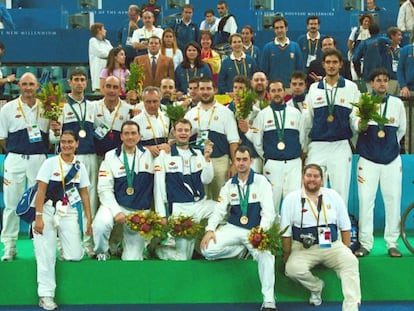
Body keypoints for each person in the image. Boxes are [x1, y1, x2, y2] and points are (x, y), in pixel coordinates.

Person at [200, 146, 277, 311]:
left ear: (251, 161)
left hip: (255, 230)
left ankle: (269, 300)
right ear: (234, 161)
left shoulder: (261, 181)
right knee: (207, 250)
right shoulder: (229, 185)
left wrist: (261, 233)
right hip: (234, 228)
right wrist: (210, 229)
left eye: (244, 160)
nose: (241, 163)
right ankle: (241, 250)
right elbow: (219, 210)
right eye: (238, 160)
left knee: (266, 254)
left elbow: (268, 211)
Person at [280, 163, 361, 311]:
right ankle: (316, 287)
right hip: (303, 248)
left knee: (350, 261)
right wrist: (287, 254)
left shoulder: (333, 196)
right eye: (308, 175)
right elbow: (285, 232)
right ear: (303, 178)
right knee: (291, 269)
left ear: (322, 180)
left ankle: (351, 306)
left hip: (331, 245)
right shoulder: (291, 199)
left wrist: (346, 249)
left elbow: (345, 226)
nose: (312, 179)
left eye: (316, 176)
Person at [0, 72, 58, 261]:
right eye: (24, 84)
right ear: (19, 86)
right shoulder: (7, 109)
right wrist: (16, 151)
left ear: (37, 86)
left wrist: (56, 130)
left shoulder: (47, 108)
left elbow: (52, 138)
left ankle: (38, 244)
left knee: (38, 203)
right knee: (11, 203)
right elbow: (2, 138)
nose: (28, 87)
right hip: (15, 159)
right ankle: (9, 245)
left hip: (39, 160)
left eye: (31, 84)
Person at [33, 130, 92, 310]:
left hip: (68, 211)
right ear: (60, 144)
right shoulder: (49, 163)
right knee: (46, 255)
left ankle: (61, 245)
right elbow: (40, 191)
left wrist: (89, 218)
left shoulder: (80, 166)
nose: (66, 145)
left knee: (74, 255)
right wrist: (39, 217)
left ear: (76, 144)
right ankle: (46, 295)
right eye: (63, 142)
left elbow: (84, 193)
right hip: (48, 210)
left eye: (70, 142)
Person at [352, 68, 406, 258]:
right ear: (371, 83)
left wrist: (389, 148)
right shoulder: (363, 102)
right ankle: (366, 243)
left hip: (391, 160)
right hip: (368, 160)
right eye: (378, 80)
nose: (382, 83)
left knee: (393, 201)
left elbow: (401, 131)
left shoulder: (397, 103)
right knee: (366, 201)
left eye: (385, 80)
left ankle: (392, 243)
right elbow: (354, 125)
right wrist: (361, 125)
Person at [302, 49, 360, 207]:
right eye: (328, 62)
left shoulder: (351, 88)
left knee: (340, 191)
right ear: (323, 65)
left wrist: (359, 126)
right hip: (317, 145)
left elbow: (355, 117)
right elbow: (307, 120)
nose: (331, 65)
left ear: (341, 64)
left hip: (340, 145)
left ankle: (340, 231)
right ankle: (314, 227)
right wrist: (304, 146)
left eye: (335, 62)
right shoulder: (314, 89)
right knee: (313, 189)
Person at [51, 69, 98, 257]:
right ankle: (63, 245)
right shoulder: (60, 106)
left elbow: (99, 130)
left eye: (82, 80)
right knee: (64, 200)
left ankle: (89, 244)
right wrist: (55, 133)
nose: (79, 83)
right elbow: (54, 139)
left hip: (90, 156)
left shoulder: (93, 106)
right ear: (69, 82)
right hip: (67, 159)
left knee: (90, 200)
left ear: (86, 83)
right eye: (75, 80)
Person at [154, 118, 215, 260]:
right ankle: (160, 249)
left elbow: (207, 179)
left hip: (200, 204)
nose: (183, 133)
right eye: (180, 130)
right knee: (183, 257)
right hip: (180, 208)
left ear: (190, 133)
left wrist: (207, 159)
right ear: (174, 133)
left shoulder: (198, 153)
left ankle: (202, 242)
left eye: (186, 130)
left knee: (223, 210)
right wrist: (161, 214)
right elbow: (159, 187)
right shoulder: (165, 155)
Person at [93, 120, 154, 261]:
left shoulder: (150, 156)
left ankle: (122, 246)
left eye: (133, 133)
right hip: (115, 205)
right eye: (126, 133)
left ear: (139, 136)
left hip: (138, 211)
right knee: (101, 224)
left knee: (131, 260)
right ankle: (102, 251)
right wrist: (116, 211)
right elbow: (104, 189)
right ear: (121, 136)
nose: (130, 137)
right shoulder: (110, 156)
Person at [246, 79, 304, 212]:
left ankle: (290, 232)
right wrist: (268, 156)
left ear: (284, 92)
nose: (276, 93)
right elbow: (257, 141)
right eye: (273, 91)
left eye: (279, 90)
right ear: (268, 93)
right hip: (272, 164)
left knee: (293, 201)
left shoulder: (295, 113)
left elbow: (302, 139)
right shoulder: (262, 115)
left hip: (293, 164)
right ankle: (272, 231)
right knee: (271, 203)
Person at [184, 76, 239, 200]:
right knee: (200, 197)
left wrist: (234, 164)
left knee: (221, 198)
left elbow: (233, 141)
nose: (205, 92)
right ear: (197, 91)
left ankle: (222, 220)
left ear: (214, 90)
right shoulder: (190, 113)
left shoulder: (226, 112)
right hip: (197, 161)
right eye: (202, 89)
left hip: (220, 162)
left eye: (208, 88)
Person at [227, 75, 262, 173]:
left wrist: (248, 130)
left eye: (241, 88)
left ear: (247, 90)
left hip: (252, 155)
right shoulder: (226, 111)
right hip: (233, 156)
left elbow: (258, 135)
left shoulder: (256, 112)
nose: (237, 91)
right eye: (235, 87)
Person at [93, 76, 131, 158]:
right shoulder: (93, 107)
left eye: (115, 87)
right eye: (108, 86)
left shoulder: (128, 109)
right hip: (97, 156)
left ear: (120, 90)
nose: (111, 90)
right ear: (103, 88)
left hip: (119, 157)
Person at [262, 16, 304, 90]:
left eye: (281, 27)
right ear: (274, 30)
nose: (279, 30)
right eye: (277, 28)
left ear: (286, 28)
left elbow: (299, 69)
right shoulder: (267, 47)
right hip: (274, 89)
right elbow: (264, 70)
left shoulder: (295, 46)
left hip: (291, 89)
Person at [131, 86, 170, 157]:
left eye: (155, 101)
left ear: (160, 100)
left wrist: (168, 145)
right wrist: (147, 148)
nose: (152, 105)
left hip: (164, 158)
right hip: (145, 158)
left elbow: (171, 140)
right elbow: (130, 144)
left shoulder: (166, 117)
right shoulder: (135, 121)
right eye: (148, 102)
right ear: (143, 102)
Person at [352, 23, 391, 92]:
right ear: (379, 30)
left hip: (369, 76)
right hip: (386, 75)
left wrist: (359, 73)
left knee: (371, 99)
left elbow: (355, 59)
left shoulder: (364, 43)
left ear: (369, 31)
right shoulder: (388, 41)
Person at [88, 23, 113, 93]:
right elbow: (100, 53)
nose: (105, 31)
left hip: (109, 70)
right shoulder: (93, 41)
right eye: (103, 29)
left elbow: (114, 52)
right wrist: (111, 55)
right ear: (99, 30)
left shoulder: (107, 42)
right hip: (98, 73)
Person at [385, 27, 403, 95]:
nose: (401, 37)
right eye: (399, 35)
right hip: (389, 80)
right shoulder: (385, 50)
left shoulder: (402, 50)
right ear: (392, 36)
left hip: (400, 81)